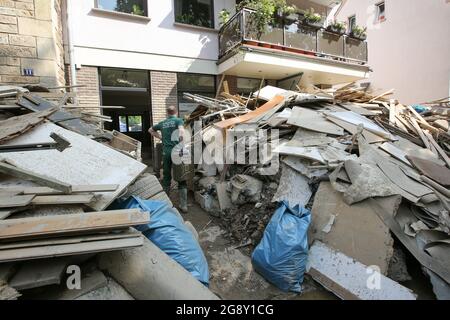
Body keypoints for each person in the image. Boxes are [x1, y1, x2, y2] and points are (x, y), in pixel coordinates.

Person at [149, 106, 188, 213]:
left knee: (166, 176)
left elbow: (150, 130)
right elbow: (181, 131)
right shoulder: (178, 120)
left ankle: (166, 204)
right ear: (176, 112)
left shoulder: (162, 123)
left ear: (167, 113)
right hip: (177, 152)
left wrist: (161, 138)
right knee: (181, 177)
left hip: (166, 152)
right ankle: (183, 205)